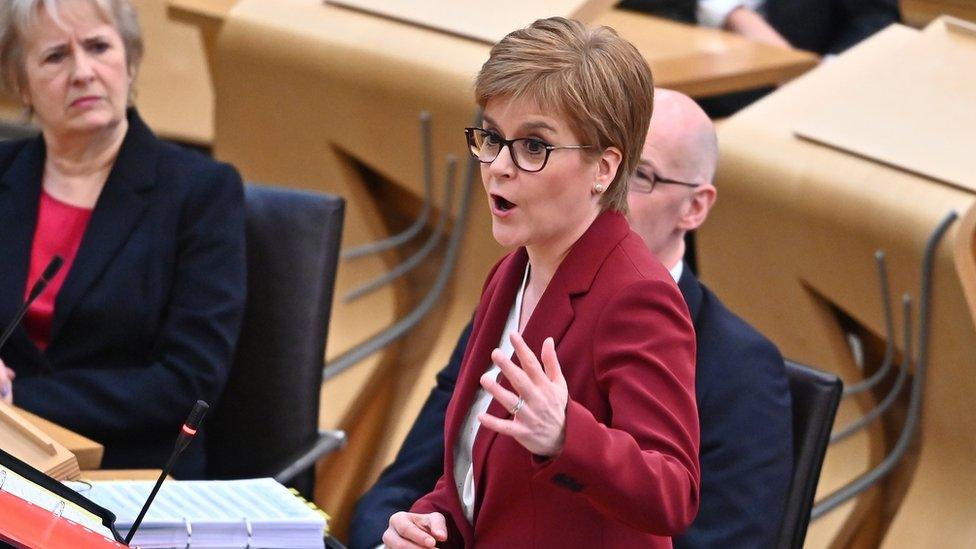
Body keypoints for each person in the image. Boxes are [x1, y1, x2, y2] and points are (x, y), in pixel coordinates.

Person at [350, 90, 793, 548]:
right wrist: (408, 533)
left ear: (695, 207)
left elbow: (701, 524)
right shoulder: (515, 280)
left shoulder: (743, 368)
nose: (611, 190)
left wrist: (568, 437)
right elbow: (433, 478)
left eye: (638, 175)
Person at [382, 18, 700, 548]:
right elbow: (479, 472)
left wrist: (564, 435)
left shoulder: (636, 295)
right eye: (491, 136)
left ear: (604, 167)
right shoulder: (512, 272)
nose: (498, 167)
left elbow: (674, 492)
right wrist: (432, 520)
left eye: (533, 146)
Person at [0, 0, 245, 478]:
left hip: (130, 471)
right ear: (19, 84)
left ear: (130, 62)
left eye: (97, 47)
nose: (83, 72)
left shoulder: (201, 193)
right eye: (55, 56)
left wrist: (17, 396)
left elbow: (188, 382)